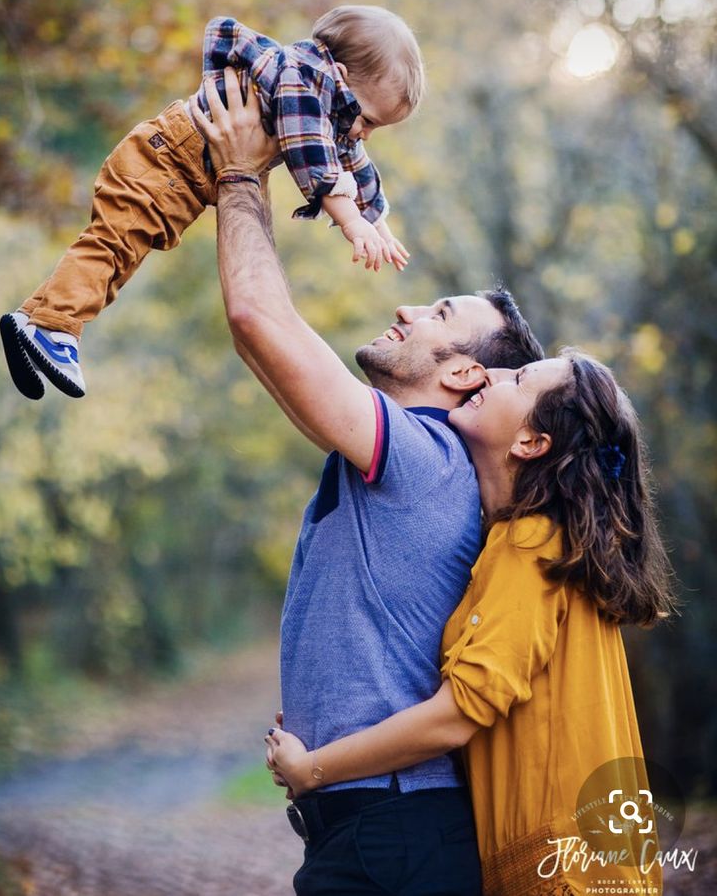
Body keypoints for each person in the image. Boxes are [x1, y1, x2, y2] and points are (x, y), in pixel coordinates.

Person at [199, 69, 545, 895]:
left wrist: (242, 174)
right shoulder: (403, 452)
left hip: (397, 837)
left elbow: (259, 316)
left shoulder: (425, 457)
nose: (409, 309)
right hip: (374, 834)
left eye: (441, 312)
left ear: (465, 371)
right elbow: (258, 341)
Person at [266, 351, 675, 896]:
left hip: (561, 874)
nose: (494, 373)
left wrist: (312, 768)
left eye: (520, 378)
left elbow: (458, 715)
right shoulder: (532, 545)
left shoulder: (531, 545)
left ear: (531, 443)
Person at [0, 5, 419, 401]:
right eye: (367, 119)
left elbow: (352, 159)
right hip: (167, 162)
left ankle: (35, 319)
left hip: (180, 171)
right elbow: (313, 157)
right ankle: (55, 329)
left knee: (124, 254)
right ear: (340, 75)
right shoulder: (302, 81)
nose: (363, 133)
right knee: (114, 245)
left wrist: (376, 219)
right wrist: (351, 223)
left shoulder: (330, 101)